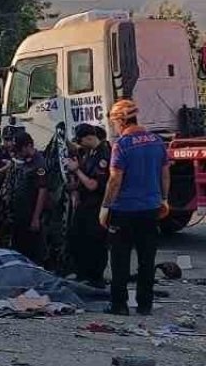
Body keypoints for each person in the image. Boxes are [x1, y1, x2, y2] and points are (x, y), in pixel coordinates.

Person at [99, 99, 169, 316]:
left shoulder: (122, 145)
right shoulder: (157, 141)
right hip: (150, 209)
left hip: (124, 211)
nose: (113, 127)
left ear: (120, 120)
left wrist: (105, 206)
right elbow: (165, 173)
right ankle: (144, 304)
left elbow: (115, 180)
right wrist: (164, 198)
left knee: (120, 261)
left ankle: (119, 305)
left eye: (113, 122)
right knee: (146, 260)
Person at [66, 123, 110, 287]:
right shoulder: (89, 154)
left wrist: (77, 170)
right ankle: (82, 273)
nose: (79, 144)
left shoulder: (103, 155)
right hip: (85, 204)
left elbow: (93, 185)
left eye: (80, 140)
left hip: (97, 205)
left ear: (89, 137)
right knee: (77, 238)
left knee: (95, 243)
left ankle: (95, 278)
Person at [7, 131, 49, 264]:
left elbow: (42, 191)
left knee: (33, 252)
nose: (18, 153)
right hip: (20, 214)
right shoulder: (23, 161)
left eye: (20, 149)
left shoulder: (39, 163)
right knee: (19, 249)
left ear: (28, 146)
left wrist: (36, 218)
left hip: (31, 214)